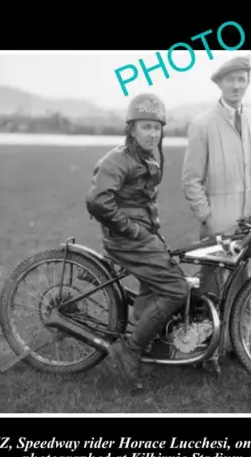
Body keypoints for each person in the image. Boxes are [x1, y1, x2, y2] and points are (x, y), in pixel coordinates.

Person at [85, 93, 188, 390]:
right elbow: (97, 201)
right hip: (127, 239)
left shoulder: (145, 156)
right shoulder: (118, 159)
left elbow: (141, 201)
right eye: (146, 126)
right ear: (131, 128)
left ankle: (147, 341)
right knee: (176, 289)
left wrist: (151, 232)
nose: (153, 133)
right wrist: (134, 231)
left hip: (142, 235)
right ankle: (130, 350)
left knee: (163, 280)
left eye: (157, 127)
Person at [181, 55, 251, 370]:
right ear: (219, 83)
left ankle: (240, 349)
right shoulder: (202, 124)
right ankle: (207, 353)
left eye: (242, 79)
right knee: (211, 289)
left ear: (247, 83)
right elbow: (191, 180)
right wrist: (208, 217)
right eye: (231, 79)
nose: (236, 85)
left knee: (246, 288)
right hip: (218, 225)